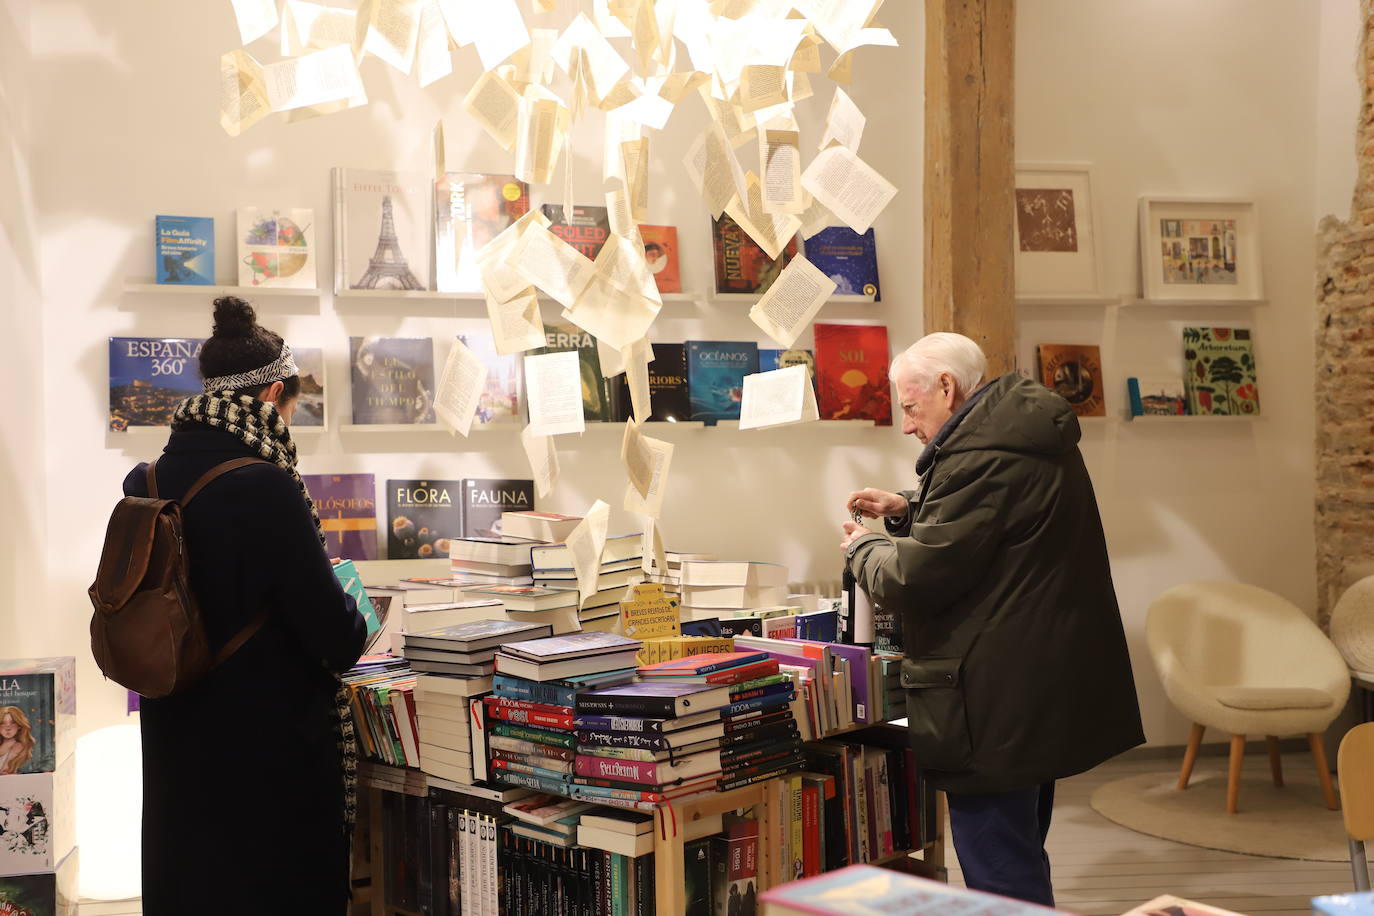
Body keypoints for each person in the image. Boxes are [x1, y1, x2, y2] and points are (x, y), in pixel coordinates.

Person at [841, 332, 1143, 907]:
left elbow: (915, 578)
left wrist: (863, 547)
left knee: (1000, 872)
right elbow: (993, 534)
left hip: (990, 698)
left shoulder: (980, 457)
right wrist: (909, 509)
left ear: (947, 388)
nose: (906, 424)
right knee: (1021, 845)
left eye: (910, 406)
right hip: (1033, 685)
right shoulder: (1019, 436)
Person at [122, 297, 367, 915]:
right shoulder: (269, 487)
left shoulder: (146, 480)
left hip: (177, 746)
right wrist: (359, 611)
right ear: (274, 393)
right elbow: (335, 638)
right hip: (266, 759)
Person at [0, 707, 35, 774]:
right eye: (2, 723)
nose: (8, 727)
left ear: (19, 725)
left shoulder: (18, 746)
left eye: (13, 723)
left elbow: (5, 771)